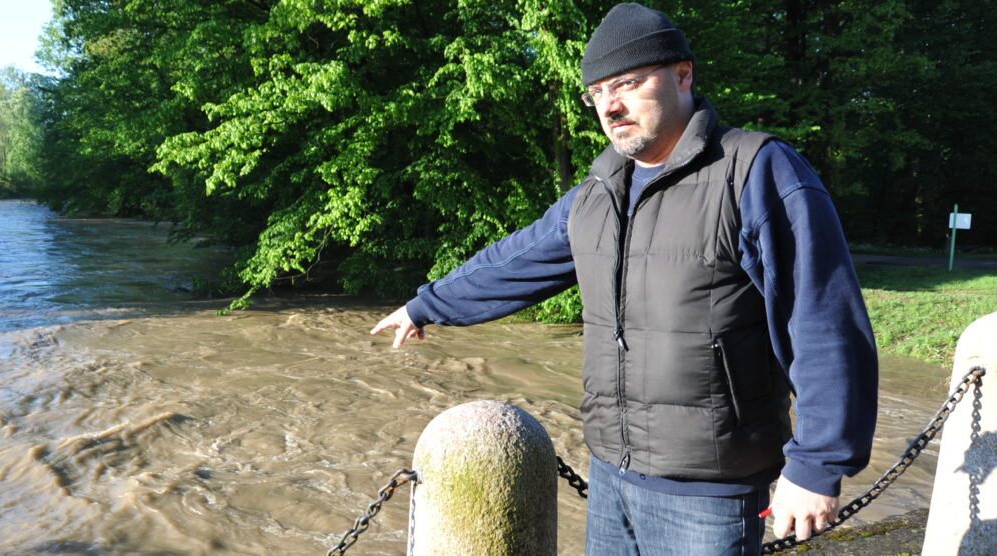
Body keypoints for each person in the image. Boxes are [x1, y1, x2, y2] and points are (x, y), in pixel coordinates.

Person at [369, 3, 879, 554]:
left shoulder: (755, 169)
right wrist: (427, 305)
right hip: (612, 474)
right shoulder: (600, 189)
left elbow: (824, 320)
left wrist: (818, 464)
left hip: (709, 491)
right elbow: (518, 259)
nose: (611, 106)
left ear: (683, 74)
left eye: (630, 84)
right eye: (597, 93)